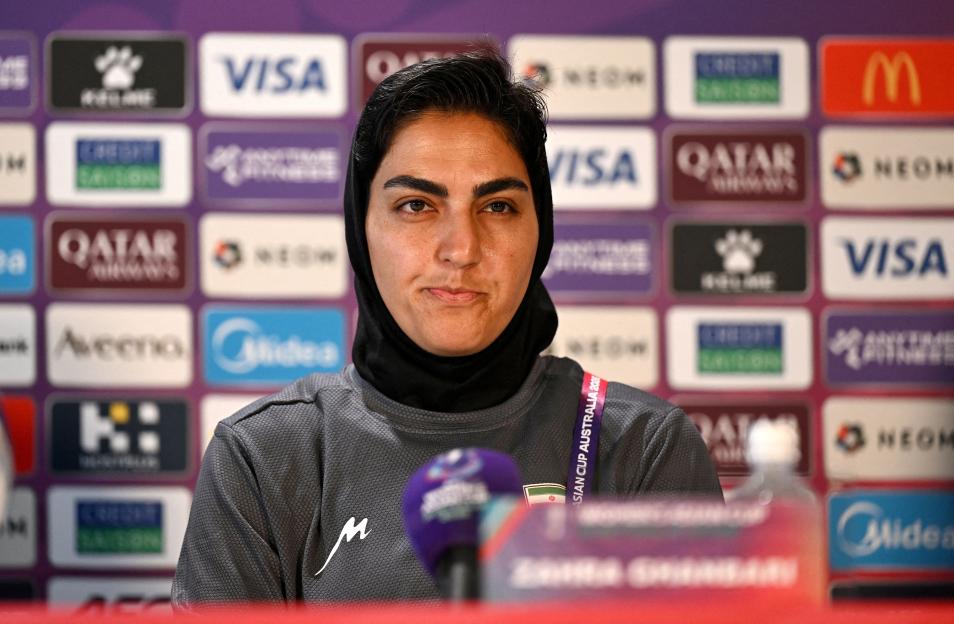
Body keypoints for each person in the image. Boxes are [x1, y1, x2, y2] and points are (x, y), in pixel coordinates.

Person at [172, 50, 721, 605]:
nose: (461, 249)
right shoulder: (263, 456)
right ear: (361, 227)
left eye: (498, 206)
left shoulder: (642, 447)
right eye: (417, 205)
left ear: (541, 229)